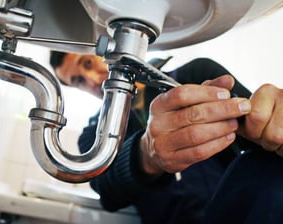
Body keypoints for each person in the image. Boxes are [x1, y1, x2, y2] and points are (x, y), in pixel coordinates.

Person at [50, 51, 283, 224]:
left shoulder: (195, 76)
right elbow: (108, 192)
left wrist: (273, 120)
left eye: (87, 63)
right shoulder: (94, 134)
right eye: (78, 81)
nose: (91, 79)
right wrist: (146, 154)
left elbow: (263, 135)